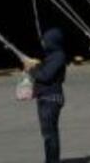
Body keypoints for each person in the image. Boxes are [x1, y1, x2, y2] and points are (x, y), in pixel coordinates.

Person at [26, 28, 67, 163]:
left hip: (51, 98)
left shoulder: (58, 56)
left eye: (45, 40)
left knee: (50, 134)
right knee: (48, 134)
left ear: (52, 41)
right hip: (45, 98)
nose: (43, 43)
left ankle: (52, 160)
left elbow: (45, 76)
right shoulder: (52, 56)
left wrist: (31, 69)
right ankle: (50, 159)